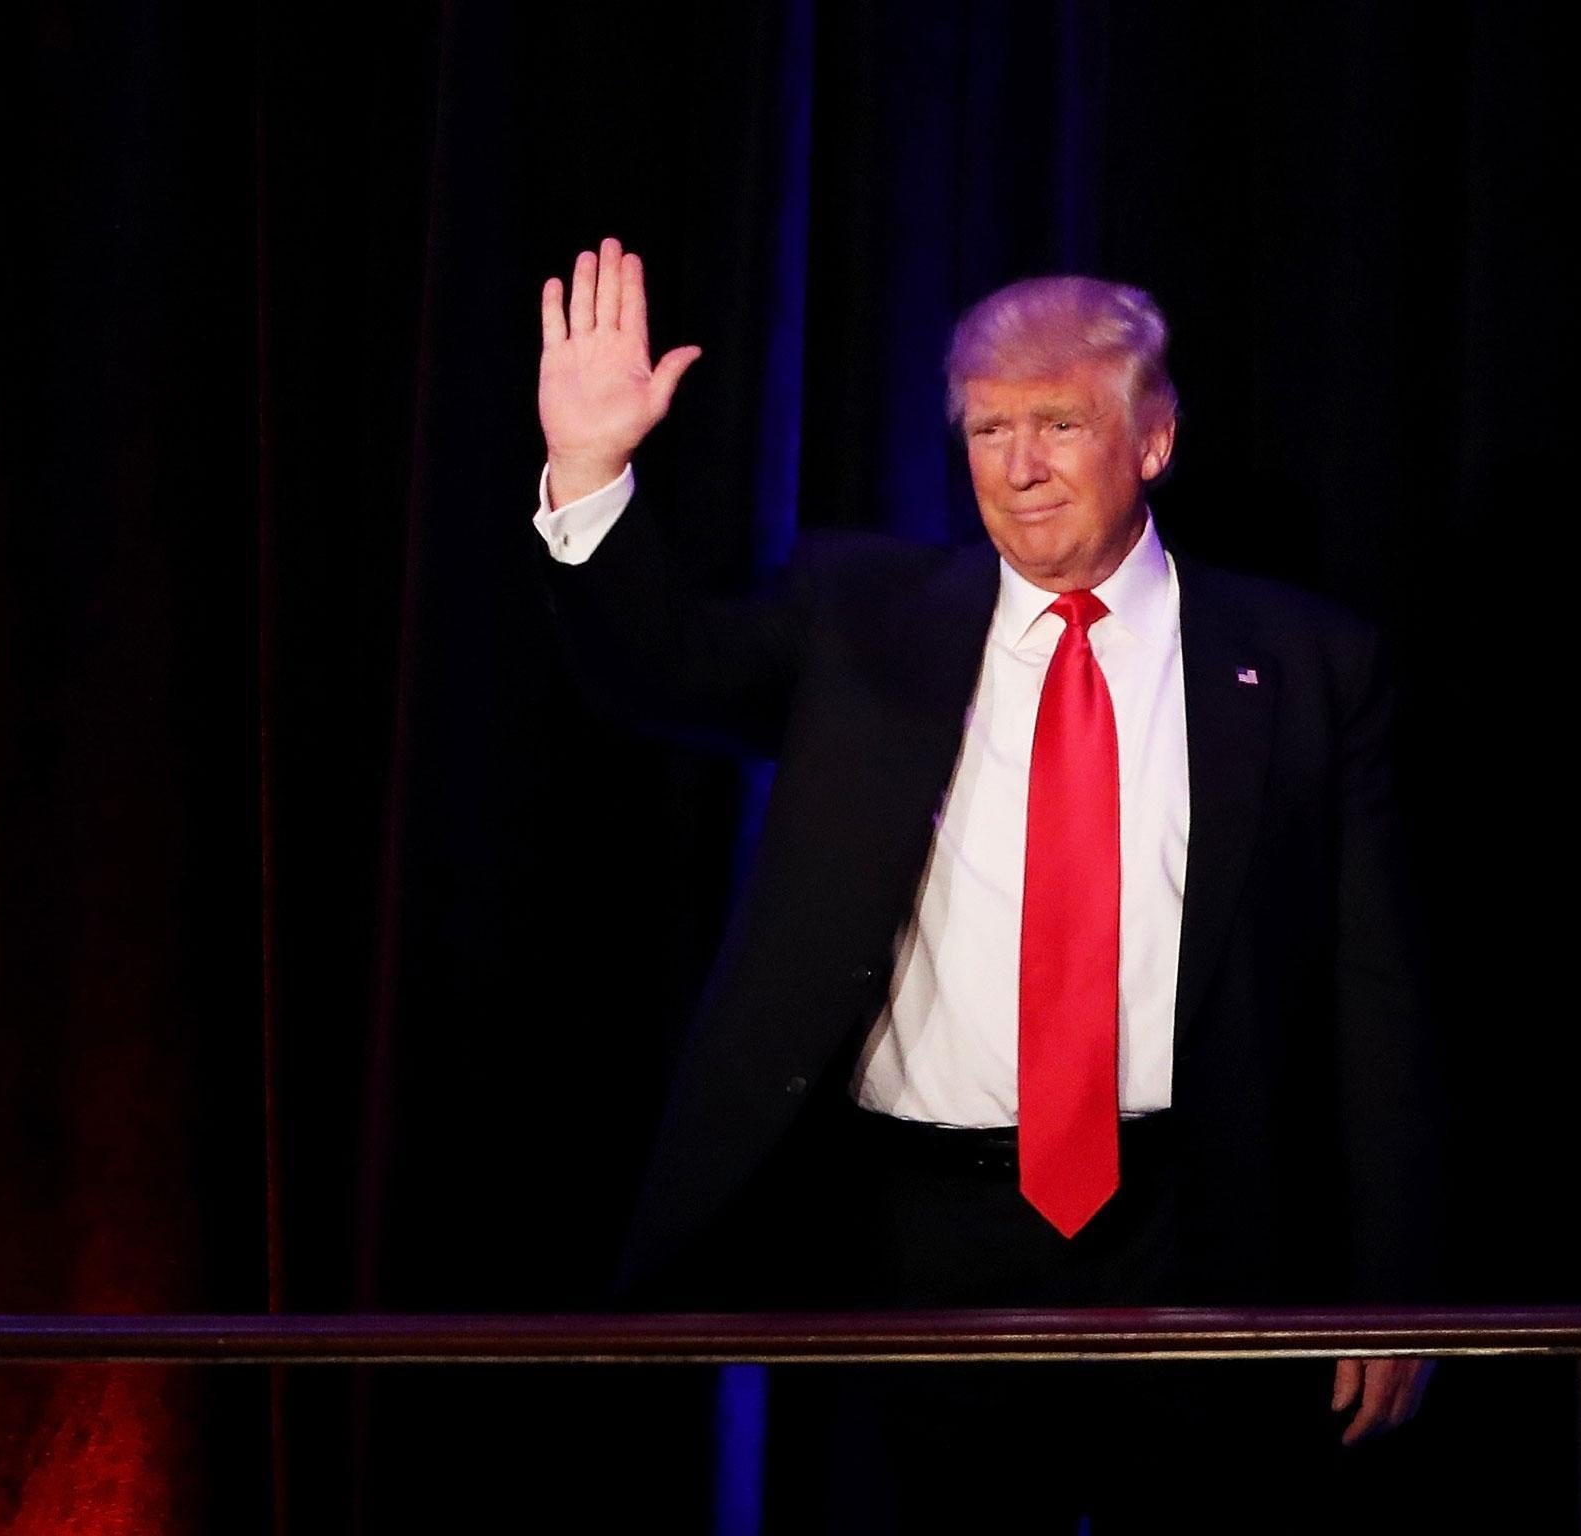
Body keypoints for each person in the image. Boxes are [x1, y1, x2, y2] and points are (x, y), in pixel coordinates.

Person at [531, 236, 1444, 1530]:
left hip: (1196, 1229)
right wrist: (590, 469)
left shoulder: (1304, 665)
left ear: (1156, 439)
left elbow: (1377, 1000)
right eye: (988, 428)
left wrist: (1392, 1279)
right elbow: (659, 673)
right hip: (918, 1238)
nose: (1018, 467)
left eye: (1061, 424)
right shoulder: (862, 616)